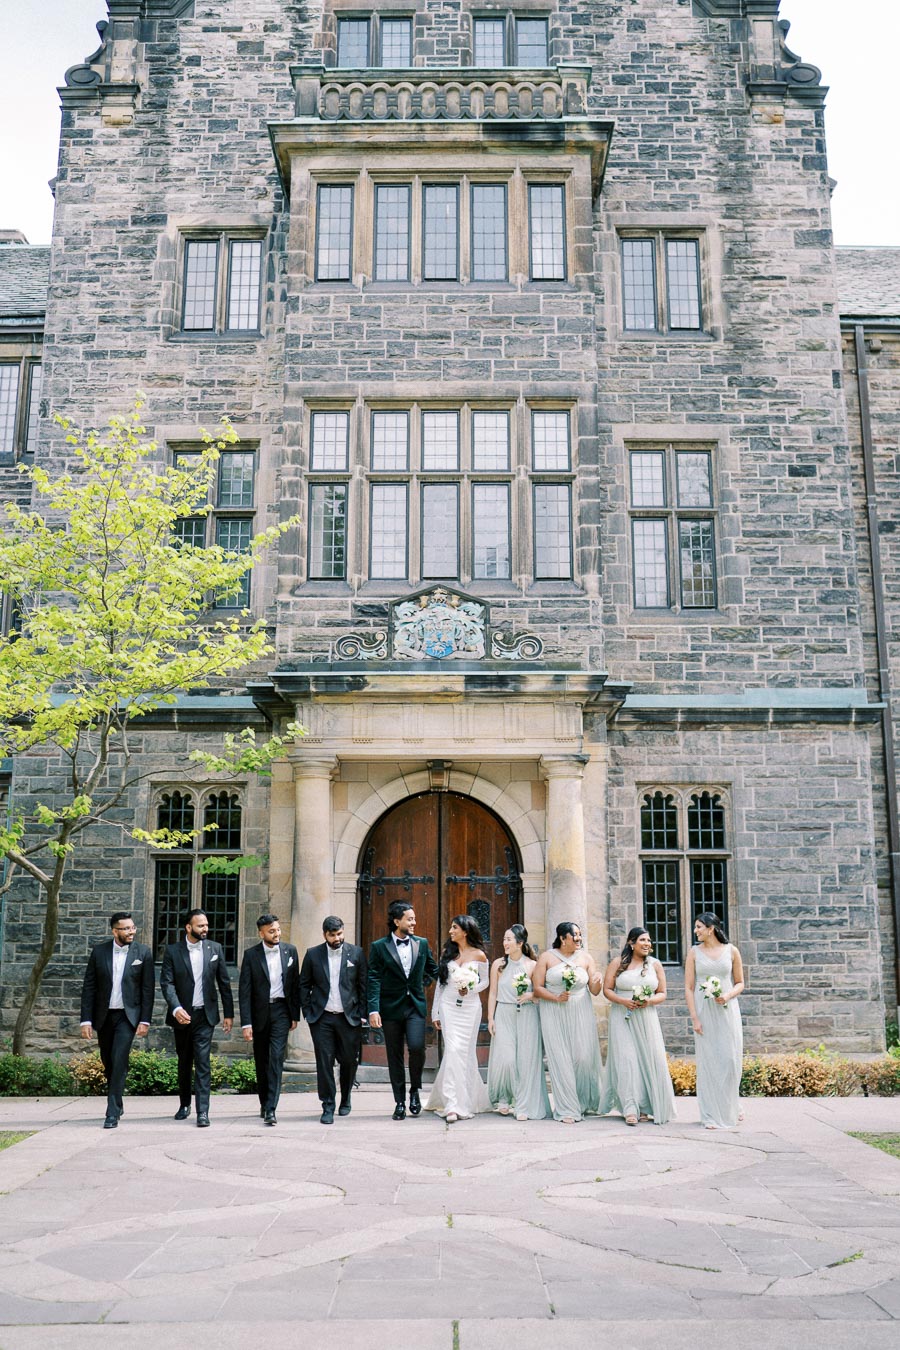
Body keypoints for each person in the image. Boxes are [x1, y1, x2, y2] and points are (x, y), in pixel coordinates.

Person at [79, 911, 154, 1129]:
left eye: (133, 928)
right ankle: (118, 1101)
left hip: (127, 1017)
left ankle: (111, 1113)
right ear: (115, 931)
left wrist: (145, 1020)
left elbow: (147, 990)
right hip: (104, 1016)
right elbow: (89, 987)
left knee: (120, 1058)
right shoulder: (99, 952)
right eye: (126, 928)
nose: (131, 932)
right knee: (109, 1062)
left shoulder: (143, 953)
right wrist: (86, 1020)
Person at [160, 909, 234, 1127]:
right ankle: (184, 1104)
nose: (205, 929)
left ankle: (203, 1112)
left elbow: (224, 983)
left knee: (203, 1062)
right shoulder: (173, 951)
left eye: (207, 925)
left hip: (205, 1015)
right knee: (184, 1061)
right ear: (188, 927)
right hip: (182, 1015)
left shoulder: (215, 948)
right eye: (200, 925)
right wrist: (176, 1008)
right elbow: (167, 983)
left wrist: (228, 1013)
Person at [367, 901, 440, 1120]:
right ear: (397, 921)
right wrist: (373, 1009)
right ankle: (399, 1101)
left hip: (415, 1007)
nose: (414, 922)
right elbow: (374, 977)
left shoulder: (422, 943)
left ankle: (415, 1090)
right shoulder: (379, 946)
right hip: (390, 1008)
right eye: (410, 919)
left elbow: (433, 969)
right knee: (394, 1055)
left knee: (417, 1047)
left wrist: (459, 975)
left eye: (414, 918)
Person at [599, 927, 675, 1126]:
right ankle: (629, 1107)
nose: (647, 943)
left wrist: (648, 1001)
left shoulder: (655, 965)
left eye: (649, 940)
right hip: (622, 1016)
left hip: (646, 1017)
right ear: (631, 943)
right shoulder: (618, 963)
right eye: (642, 940)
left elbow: (663, 993)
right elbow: (606, 990)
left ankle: (645, 1106)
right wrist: (623, 1001)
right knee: (627, 1060)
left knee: (647, 1059)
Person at [532, 920, 603, 1123]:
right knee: (560, 1059)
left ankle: (581, 1102)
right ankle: (567, 1109)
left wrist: (597, 980)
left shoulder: (586, 958)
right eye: (575, 935)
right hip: (554, 1012)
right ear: (563, 938)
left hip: (580, 1011)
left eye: (580, 934)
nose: (579, 938)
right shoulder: (546, 957)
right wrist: (555, 997)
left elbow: (595, 991)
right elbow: (537, 988)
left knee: (582, 1058)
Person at [299, 915, 367, 1124]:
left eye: (339, 934)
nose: (337, 938)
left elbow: (363, 985)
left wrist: (363, 1013)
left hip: (349, 1018)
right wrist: (309, 1013)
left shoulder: (356, 953)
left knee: (348, 1060)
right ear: (324, 935)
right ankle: (327, 1105)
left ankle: (345, 1097)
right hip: (322, 1018)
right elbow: (304, 985)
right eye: (332, 935)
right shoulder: (313, 955)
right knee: (325, 1062)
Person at [426, 915, 491, 1123]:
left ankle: (465, 1098)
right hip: (448, 1007)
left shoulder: (479, 955)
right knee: (453, 1050)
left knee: (464, 1053)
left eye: (454, 928)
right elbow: (441, 984)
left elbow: (485, 982)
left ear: (465, 931)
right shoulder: (448, 953)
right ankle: (452, 1104)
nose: (451, 931)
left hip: (470, 1008)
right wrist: (435, 1011)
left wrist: (470, 989)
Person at [685, 912, 745, 1130]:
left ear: (711, 928)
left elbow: (739, 982)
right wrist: (695, 1018)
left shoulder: (732, 951)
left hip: (727, 1009)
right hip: (704, 1010)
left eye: (699, 927)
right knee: (709, 1061)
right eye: (695, 927)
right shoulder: (694, 952)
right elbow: (689, 987)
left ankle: (732, 1104)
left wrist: (727, 995)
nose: (696, 931)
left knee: (730, 1059)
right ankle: (710, 1113)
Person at [239, 914, 301, 1126]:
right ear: (261, 933)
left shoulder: (290, 951)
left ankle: (271, 1109)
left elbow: (295, 985)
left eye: (277, 929)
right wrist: (246, 1024)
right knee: (262, 1060)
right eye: (271, 931)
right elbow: (245, 991)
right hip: (259, 1014)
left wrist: (295, 1015)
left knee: (276, 1058)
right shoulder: (251, 955)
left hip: (282, 1011)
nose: (277, 934)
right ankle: (264, 1102)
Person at [487, 924, 550, 1120]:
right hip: (504, 1013)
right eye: (504, 939)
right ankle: (504, 1098)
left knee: (525, 1061)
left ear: (520, 943)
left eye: (509, 939)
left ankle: (523, 1104)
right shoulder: (498, 964)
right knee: (506, 1060)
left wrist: (531, 995)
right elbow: (493, 993)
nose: (505, 943)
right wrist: (490, 1017)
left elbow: (541, 994)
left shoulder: (532, 965)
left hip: (527, 1015)